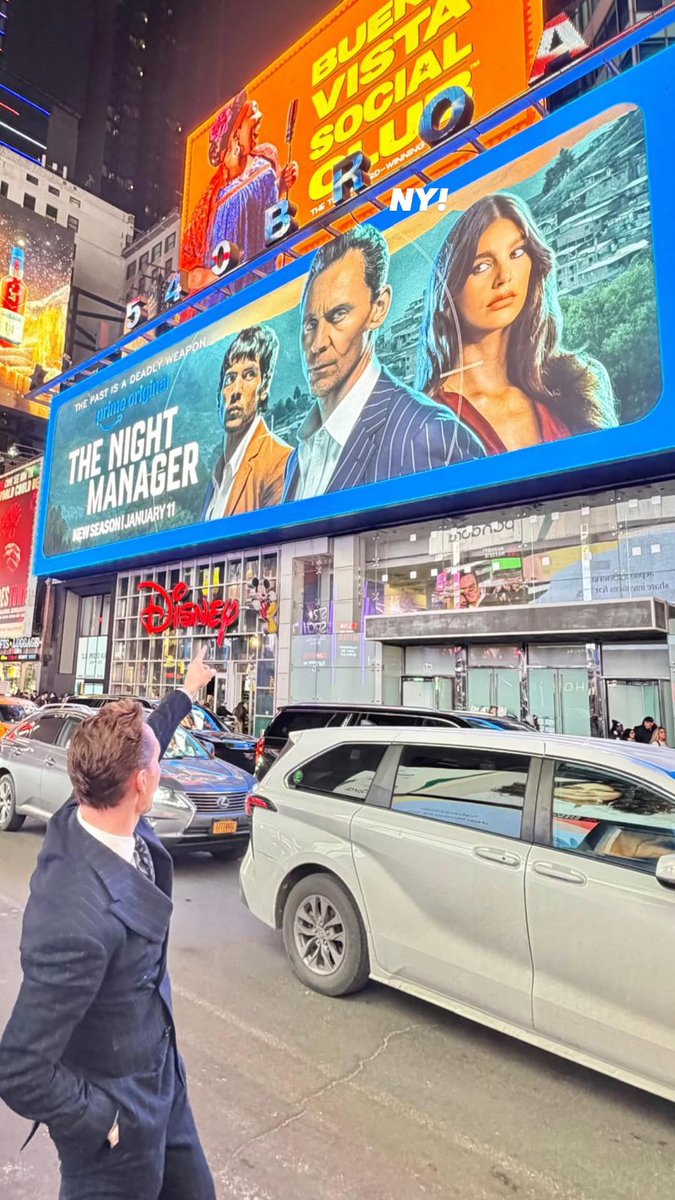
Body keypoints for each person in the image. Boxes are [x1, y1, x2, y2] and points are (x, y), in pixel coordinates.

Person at [0, 648, 216, 1200]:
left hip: (164, 1080)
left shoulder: (87, 806)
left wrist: (188, 690)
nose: (161, 765)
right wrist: (102, 1118)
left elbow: (150, 739)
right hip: (117, 1127)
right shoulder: (76, 921)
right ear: (141, 786)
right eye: (156, 767)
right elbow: (19, 1066)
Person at [282, 225, 485, 501]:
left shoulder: (428, 434)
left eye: (339, 315)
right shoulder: (299, 457)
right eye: (310, 324)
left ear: (378, 309)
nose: (317, 344)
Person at [415, 193, 618, 453]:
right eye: (481, 266)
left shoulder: (576, 381)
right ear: (448, 292)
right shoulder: (423, 422)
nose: (504, 277)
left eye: (517, 253)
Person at [181, 91, 298, 293]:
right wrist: (220, 271)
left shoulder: (267, 157)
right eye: (251, 115)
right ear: (235, 133)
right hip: (228, 298)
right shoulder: (209, 204)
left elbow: (261, 211)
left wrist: (281, 185)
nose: (259, 116)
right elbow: (187, 278)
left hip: (266, 277)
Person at [201, 325, 290, 519]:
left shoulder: (279, 462)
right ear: (219, 396)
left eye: (249, 375)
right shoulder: (216, 477)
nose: (236, 391)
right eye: (230, 378)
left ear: (264, 387)